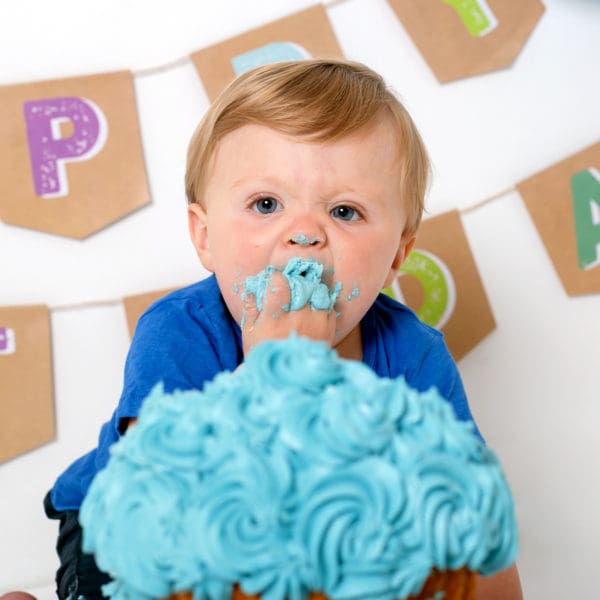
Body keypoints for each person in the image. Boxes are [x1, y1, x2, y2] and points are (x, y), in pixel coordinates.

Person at [44, 59, 522, 600]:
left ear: (397, 257)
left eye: (344, 211)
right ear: (204, 237)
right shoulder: (181, 331)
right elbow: (162, 501)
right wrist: (278, 368)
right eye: (266, 204)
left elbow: (477, 536)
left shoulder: (413, 359)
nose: (303, 235)